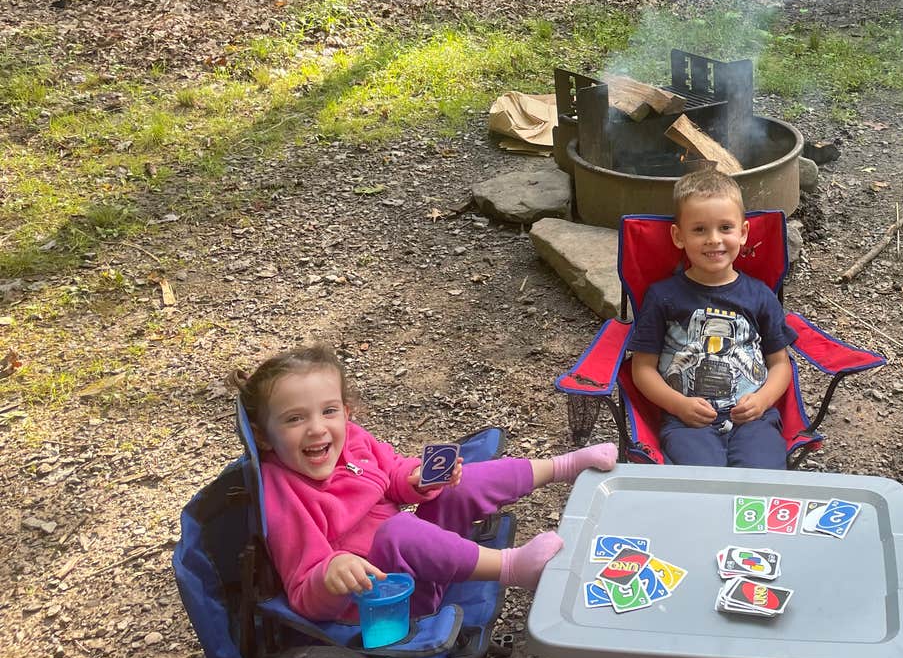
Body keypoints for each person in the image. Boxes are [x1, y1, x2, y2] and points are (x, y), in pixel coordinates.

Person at [234, 344, 617, 622]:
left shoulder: (352, 439)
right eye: (294, 419)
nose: (317, 428)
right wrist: (330, 575)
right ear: (265, 437)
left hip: (419, 560)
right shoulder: (282, 493)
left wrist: (416, 480)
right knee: (398, 529)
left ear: (346, 413)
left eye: (329, 411)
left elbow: (393, 473)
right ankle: (513, 568)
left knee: (459, 481)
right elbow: (304, 595)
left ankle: (565, 465)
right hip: (386, 603)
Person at [626, 167, 796, 468]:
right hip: (687, 422)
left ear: (743, 233)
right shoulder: (663, 296)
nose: (713, 240)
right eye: (699, 229)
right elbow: (642, 369)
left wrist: (763, 400)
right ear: (679, 237)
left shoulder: (759, 296)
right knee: (699, 482)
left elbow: (780, 363)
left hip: (754, 419)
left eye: (725, 228)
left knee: (762, 480)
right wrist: (678, 404)